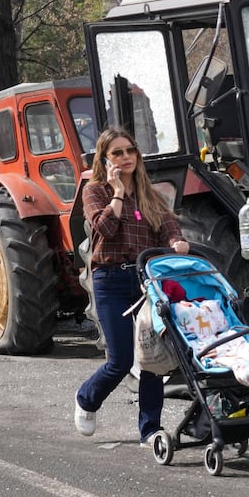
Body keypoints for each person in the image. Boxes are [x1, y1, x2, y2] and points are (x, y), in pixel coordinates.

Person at [74, 127, 190, 444]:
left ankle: (150, 429)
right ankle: (87, 398)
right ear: (105, 159)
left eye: (130, 151)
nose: (126, 157)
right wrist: (117, 191)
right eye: (117, 153)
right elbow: (106, 228)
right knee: (121, 361)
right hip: (110, 280)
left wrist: (177, 241)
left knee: (151, 360)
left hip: (144, 281)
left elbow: (168, 225)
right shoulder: (94, 190)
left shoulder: (149, 194)